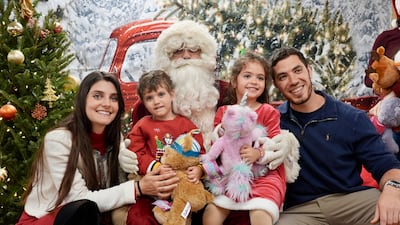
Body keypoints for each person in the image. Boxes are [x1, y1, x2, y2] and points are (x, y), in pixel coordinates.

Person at [16, 71, 178, 225]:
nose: (106, 104)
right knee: (84, 210)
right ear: (83, 100)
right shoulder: (59, 140)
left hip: (99, 217)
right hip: (55, 218)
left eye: (113, 98)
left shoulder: (117, 140)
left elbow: (121, 189)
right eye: (97, 96)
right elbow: (78, 201)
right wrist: (139, 188)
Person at [270, 47, 400, 225]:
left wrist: (393, 189)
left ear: (309, 70)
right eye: (283, 77)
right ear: (276, 85)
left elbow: (385, 164)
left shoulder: (351, 117)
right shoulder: (273, 122)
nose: (293, 81)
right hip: (302, 211)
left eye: (297, 70)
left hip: (353, 201)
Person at [202, 52, 286, 225]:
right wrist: (224, 129)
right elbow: (215, 145)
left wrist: (258, 153)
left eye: (260, 78)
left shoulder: (268, 112)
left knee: (261, 214)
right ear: (234, 81)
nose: (254, 81)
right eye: (247, 76)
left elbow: (275, 145)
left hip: (263, 176)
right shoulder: (224, 112)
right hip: (230, 175)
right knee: (211, 214)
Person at [125, 69, 206, 225]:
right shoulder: (143, 125)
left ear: (172, 94)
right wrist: (156, 166)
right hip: (154, 185)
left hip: (181, 185)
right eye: (150, 98)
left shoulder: (186, 125)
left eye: (161, 94)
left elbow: (199, 153)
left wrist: (199, 170)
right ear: (143, 101)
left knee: (183, 217)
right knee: (138, 216)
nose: (156, 101)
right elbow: (135, 151)